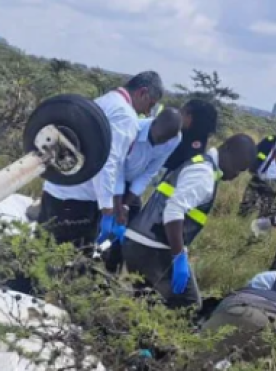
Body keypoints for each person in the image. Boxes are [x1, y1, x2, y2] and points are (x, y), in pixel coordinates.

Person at [122, 134, 257, 309]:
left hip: (140, 241)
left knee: (146, 301)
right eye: (237, 168)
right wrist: (179, 257)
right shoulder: (204, 173)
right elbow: (173, 211)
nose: (235, 175)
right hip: (153, 247)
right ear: (227, 149)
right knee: (189, 305)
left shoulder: (200, 164)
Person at [39, 71, 164, 249]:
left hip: (56, 188)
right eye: (149, 104)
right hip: (78, 202)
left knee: (38, 255)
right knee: (70, 265)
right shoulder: (126, 116)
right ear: (142, 92)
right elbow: (108, 162)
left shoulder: (106, 101)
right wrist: (107, 209)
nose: (146, 112)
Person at [104, 107, 183, 272]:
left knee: (132, 224)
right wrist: (117, 206)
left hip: (133, 183)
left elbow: (150, 172)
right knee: (103, 220)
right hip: (109, 177)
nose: (161, 142)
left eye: (166, 139)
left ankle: (112, 268)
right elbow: (117, 168)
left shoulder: (174, 139)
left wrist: (125, 206)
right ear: (153, 123)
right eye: (159, 137)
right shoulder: (133, 130)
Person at [162, 99, 219, 173]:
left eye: (182, 112)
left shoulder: (181, 141)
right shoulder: (199, 145)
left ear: (189, 117)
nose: (179, 114)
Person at [238, 134, 276, 219]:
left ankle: (258, 230)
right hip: (258, 176)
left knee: (265, 211)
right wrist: (252, 166)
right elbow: (255, 151)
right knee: (246, 204)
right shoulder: (269, 140)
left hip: (272, 183)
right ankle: (238, 223)